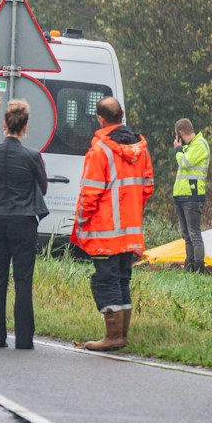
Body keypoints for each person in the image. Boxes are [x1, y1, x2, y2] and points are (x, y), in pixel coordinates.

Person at [71, 96, 154, 352]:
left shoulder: (100, 151)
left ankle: (114, 336)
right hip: (130, 232)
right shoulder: (141, 150)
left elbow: (90, 194)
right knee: (121, 280)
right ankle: (121, 334)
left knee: (105, 282)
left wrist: (82, 221)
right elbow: (148, 187)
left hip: (105, 232)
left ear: (100, 119)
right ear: (123, 115)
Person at [0, 99, 48, 349]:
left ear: (4, 124)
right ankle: (23, 338)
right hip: (23, 222)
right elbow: (42, 186)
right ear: (25, 127)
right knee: (23, 279)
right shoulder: (32, 156)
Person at [171, 118, 210, 272]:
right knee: (186, 235)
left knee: (194, 234)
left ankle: (199, 267)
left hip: (192, 196)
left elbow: (184, 163)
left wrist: (178, 150)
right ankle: (189, 265)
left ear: (180, 133)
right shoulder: (190, 146)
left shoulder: (200, 144)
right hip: (181, 196)